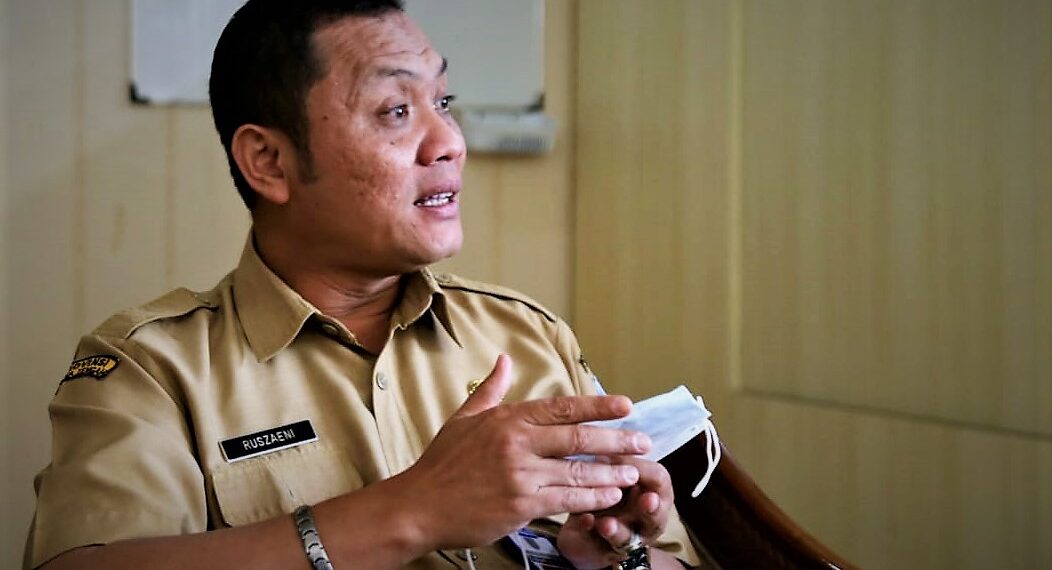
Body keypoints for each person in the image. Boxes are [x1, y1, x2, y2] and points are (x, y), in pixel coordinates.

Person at [24, 1, 701, 569]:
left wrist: (614, 557)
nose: (449, 141)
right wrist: (414, 509)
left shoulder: (526, 335)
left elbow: (670, 558)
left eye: (443, 100)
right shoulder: (151, 368)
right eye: (395, 111)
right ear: (269, 161)